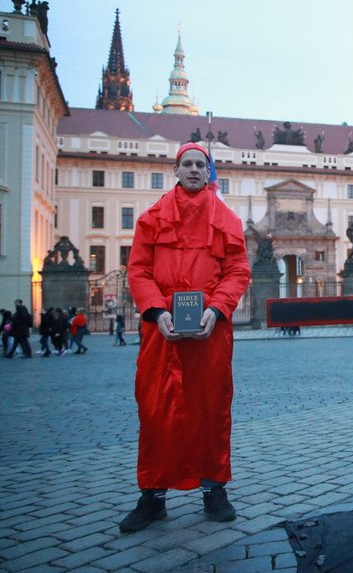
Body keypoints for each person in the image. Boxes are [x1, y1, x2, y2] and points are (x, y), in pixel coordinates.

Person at [119, 142, 251, 533]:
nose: (194, 170)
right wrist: (157, 313)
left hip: (210, 334)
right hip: (161, 335)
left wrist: (217, 308)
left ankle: (214, 490)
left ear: (209, 173)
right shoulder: (151, 219)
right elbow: (138, 271)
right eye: (187, 164)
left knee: (210, 410)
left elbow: (239, 270)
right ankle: (153, 496)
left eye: (201, 165)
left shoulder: (226, 219)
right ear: (175, 170)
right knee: (155, 411)